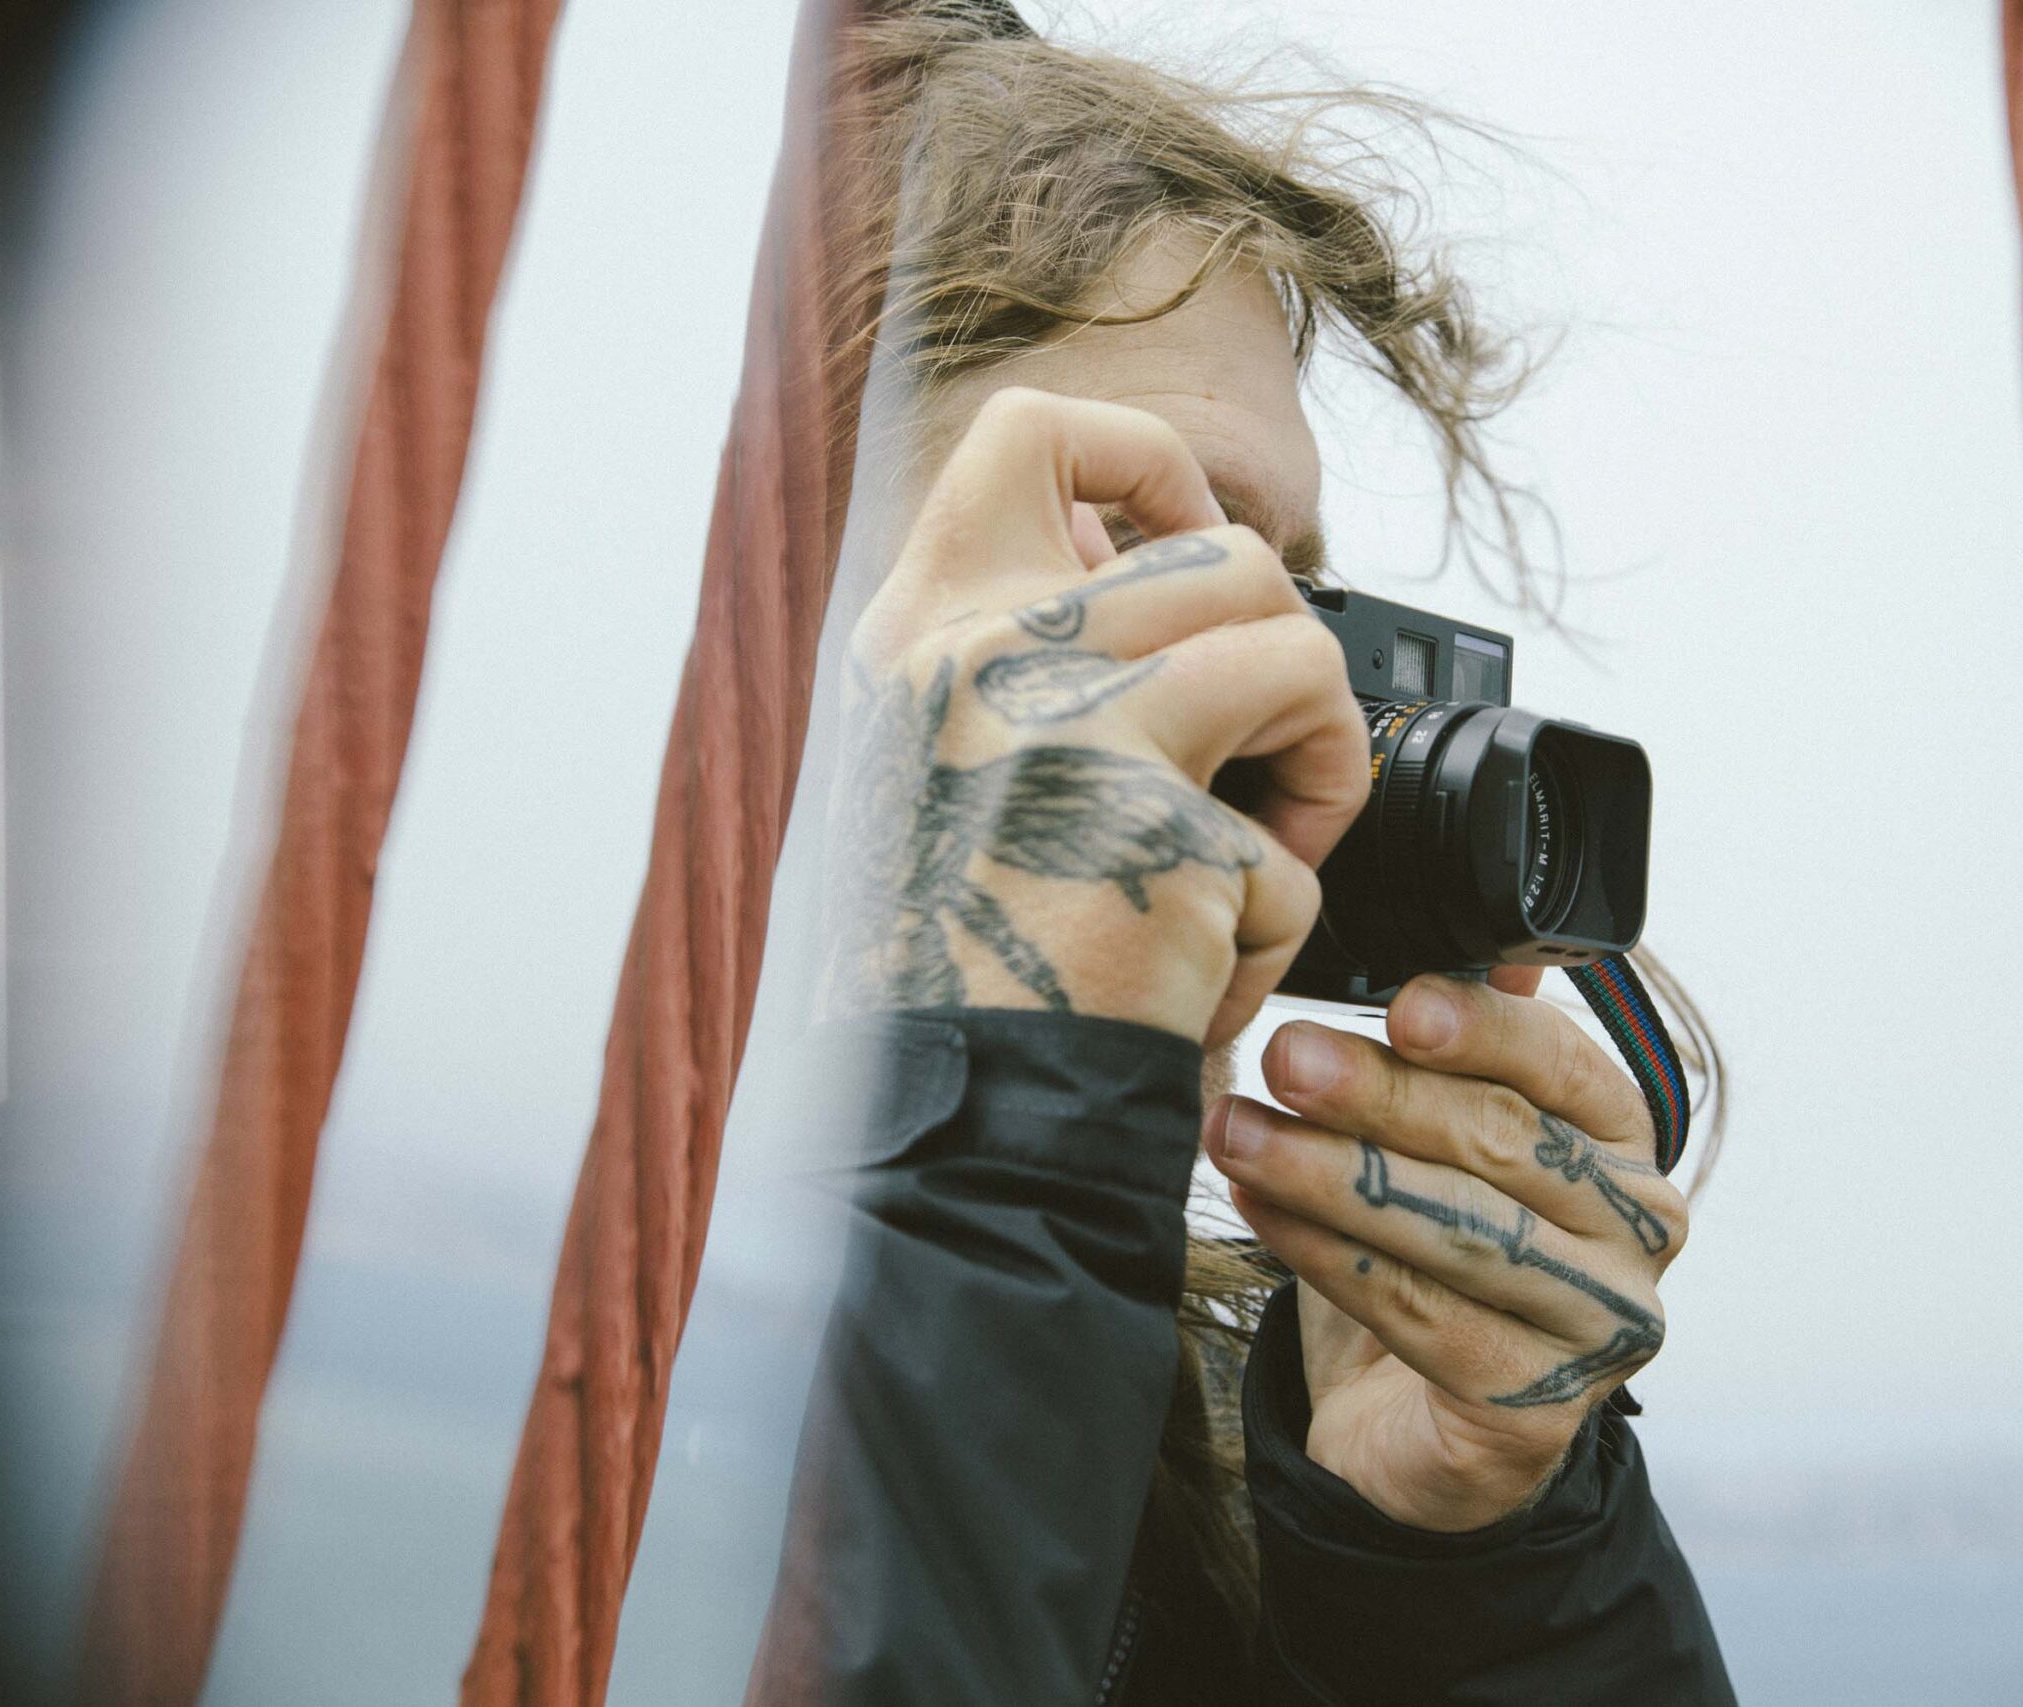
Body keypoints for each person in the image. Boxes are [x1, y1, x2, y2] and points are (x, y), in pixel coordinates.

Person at [749, 8, 1733, 1702]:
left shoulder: (1177, 1420)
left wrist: (1464, 1570)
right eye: (1128, 545)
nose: (1285, 709)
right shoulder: (445, 1372)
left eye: (1291, 595)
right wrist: (1006, 1140)